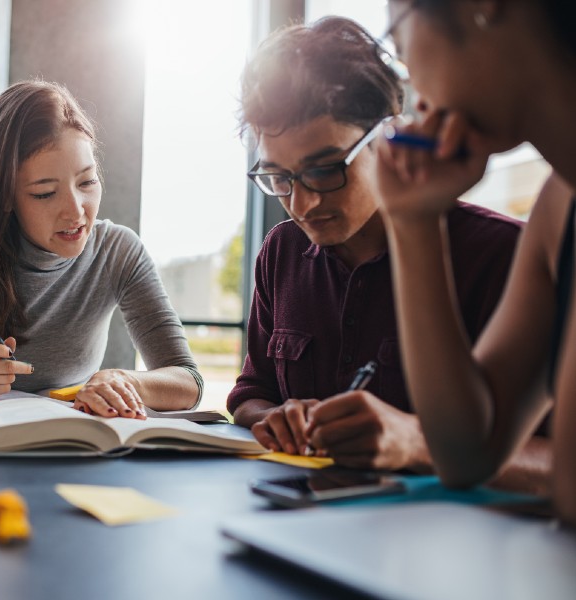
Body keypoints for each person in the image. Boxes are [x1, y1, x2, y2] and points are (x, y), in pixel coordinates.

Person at [226, 15, 551, 492]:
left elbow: (558, 463)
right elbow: (251, 395)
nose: (302, 204)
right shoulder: (282, 252)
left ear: (387, 136)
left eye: (325, 170)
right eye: (280, 177)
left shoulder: (507, 255)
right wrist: (277, 419)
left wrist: (417, 444)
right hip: (301, 520)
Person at [372, 0, 576, 523]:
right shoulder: (558, 208)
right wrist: (414, 222)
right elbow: (468, 453)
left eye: (398, 40)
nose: (410, 79)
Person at [0, 79, 203, 418]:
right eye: (45, 193)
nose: (76, 211)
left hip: (76, 446)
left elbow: (188, 381)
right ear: (5, 196)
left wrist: (128, 381)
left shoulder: (118, 252)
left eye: (87, 182)